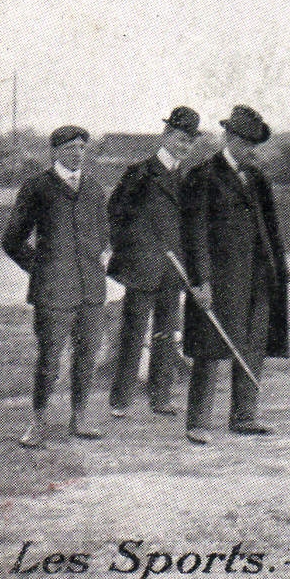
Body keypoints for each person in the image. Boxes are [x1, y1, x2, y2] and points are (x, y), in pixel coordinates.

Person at [179, 105, 290, 444]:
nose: (250, 149)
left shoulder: (258, 178)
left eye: (253, 143)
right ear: (228, 138)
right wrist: (200, 281)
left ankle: (244, 416)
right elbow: (194, 233)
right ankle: (198, 422)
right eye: (244, 142)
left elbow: (271, 230)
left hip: (259, 276)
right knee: (211, 346)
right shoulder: (202, 175)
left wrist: (280, 271)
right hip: (221, 278)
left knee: (254, 344)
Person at [2, 125, 111, 447]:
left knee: (87, 355)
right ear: (55, 151)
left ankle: (80, 418)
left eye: (81, 147)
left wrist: (97, 256)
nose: (77, 153)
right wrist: (42, 269)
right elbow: (11, 240)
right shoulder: (37, 187)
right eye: (69, 147)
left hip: (91, 290)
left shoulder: (93, 188)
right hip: (54, 292)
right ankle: (38, 423)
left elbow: (104, 234)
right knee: (49, 358)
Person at [105, 106, 201, 418]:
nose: (183, 146)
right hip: (142, 268)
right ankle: (121, 401)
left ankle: (160, 398)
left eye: (189, 141)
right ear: (166, 135)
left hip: (173, 271)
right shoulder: (140, 173)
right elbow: (116, 215)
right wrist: (135, 251)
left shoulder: (185, 179)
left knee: (166, 333)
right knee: (134, 331)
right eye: (179, 138)